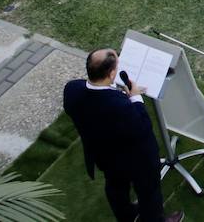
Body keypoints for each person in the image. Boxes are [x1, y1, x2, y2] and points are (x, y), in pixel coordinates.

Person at [62, 48, 183, 222]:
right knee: (149, 192)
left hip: (104, 156)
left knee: (115, 187)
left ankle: (126, 216)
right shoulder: (120, 106)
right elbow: (143, 127)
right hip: (136, 160)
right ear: (112, 74)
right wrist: (135, 98)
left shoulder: (72, 89)